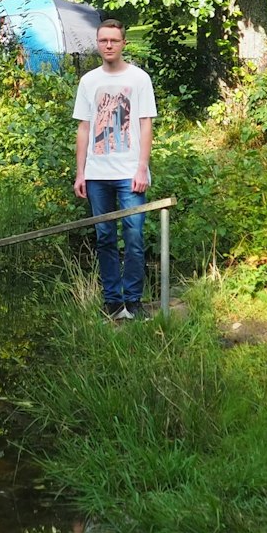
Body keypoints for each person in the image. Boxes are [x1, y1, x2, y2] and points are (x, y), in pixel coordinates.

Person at [72, 18, 157, 320]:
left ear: (123, 43)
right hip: (97, 175)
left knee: (134, 237)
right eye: (103, 40)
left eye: (114, 40)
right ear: (98, 43)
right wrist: (80, 172)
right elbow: (84, 127)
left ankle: (133, 301)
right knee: (105, 237)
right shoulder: (89, 82)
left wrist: (141, 168)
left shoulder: (138, 79)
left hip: (128, 173)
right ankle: (112, 302)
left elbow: (146, 123)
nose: (108, 45)